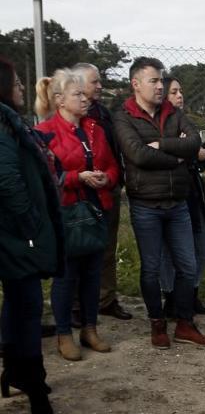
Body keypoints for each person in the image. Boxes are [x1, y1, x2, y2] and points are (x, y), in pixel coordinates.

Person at [114, 57, 205, 349]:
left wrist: (165, 145)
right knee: (151, 267)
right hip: (146, 205)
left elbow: (195, 140)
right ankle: (157, 324)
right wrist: (179, 156)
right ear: (136, 84)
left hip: (178, 203)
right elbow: (138, 155)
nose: (160, 86)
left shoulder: (172, 111)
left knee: (187, 265)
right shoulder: (123, 116)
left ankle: (184, 323)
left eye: (161, 80)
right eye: (154, 81)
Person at [36, 69, 119, 361]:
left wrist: (105, 179)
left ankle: (90, 329)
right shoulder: (46, 131)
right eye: (77, 95)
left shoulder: (95, 128)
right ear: (59, 100)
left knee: (93, 274)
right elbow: (48, 175)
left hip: (96, 210)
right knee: (67, 276)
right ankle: (63, 334)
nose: (85, 99)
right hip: (66, 214)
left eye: (85, 94)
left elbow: (111, 165)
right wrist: (77, 177)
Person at [0, 57, 62, 414]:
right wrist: (30, 223)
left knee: (18, 303)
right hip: (14, 233)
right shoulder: (3, 124)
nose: (23, 88)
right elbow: (6, 179)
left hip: (12, 232)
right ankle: (34, 383)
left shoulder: (10, 121)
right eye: (17, 83)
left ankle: (16, 371)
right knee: (27, 306)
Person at [72, 63, 132, 322]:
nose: (100, 85)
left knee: (107, 247)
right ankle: (76, 305)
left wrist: (112, 177)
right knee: (77, 249)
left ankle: (106, 299)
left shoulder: (103, 114)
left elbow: (113, 152)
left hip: (108, 188)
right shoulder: (69, 116)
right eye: (94, 81)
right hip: (79, 193)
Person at [159, 76, 205, 317]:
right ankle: (170, 297)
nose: (180, 95)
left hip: (193, 194)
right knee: (168, 251)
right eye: (174, 92)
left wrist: (200, 155)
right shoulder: (157, 126)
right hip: (168, 193)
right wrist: (189, 151)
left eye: (181, 91)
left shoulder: (187, 124)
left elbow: (198, 163)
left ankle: (191, 294)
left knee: (204, 247)